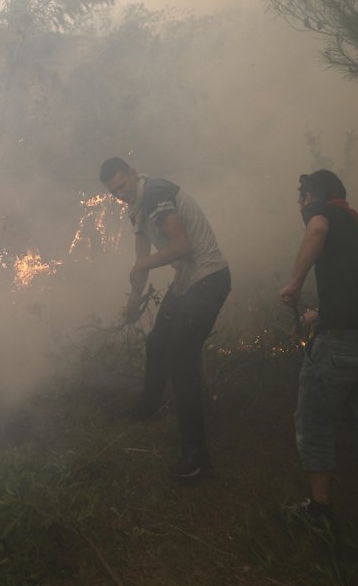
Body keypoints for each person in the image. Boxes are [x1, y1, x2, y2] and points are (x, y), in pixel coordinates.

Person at [279, 170, 358, 549]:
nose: (300, 206)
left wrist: (295, 282)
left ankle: (319, 511)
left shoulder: (323, 212)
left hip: (344, 342)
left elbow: (316, 229)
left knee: (313, 419)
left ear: (312, 195)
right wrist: (320, 314)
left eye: (301, 199)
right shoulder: (356, 221)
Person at [99, 157, 230, 481]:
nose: (120, 194)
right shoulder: (138, 208)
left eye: (122, 185)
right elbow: (141, 261)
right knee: (157, 343)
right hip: (187, 282)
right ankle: (147, 412)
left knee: (180, 359)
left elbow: (181, 246)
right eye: (113, 191)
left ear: (133, 173)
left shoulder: (156, 193)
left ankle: (196, 458)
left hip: (209, 278)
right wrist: (132, 307)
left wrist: (142, 268)